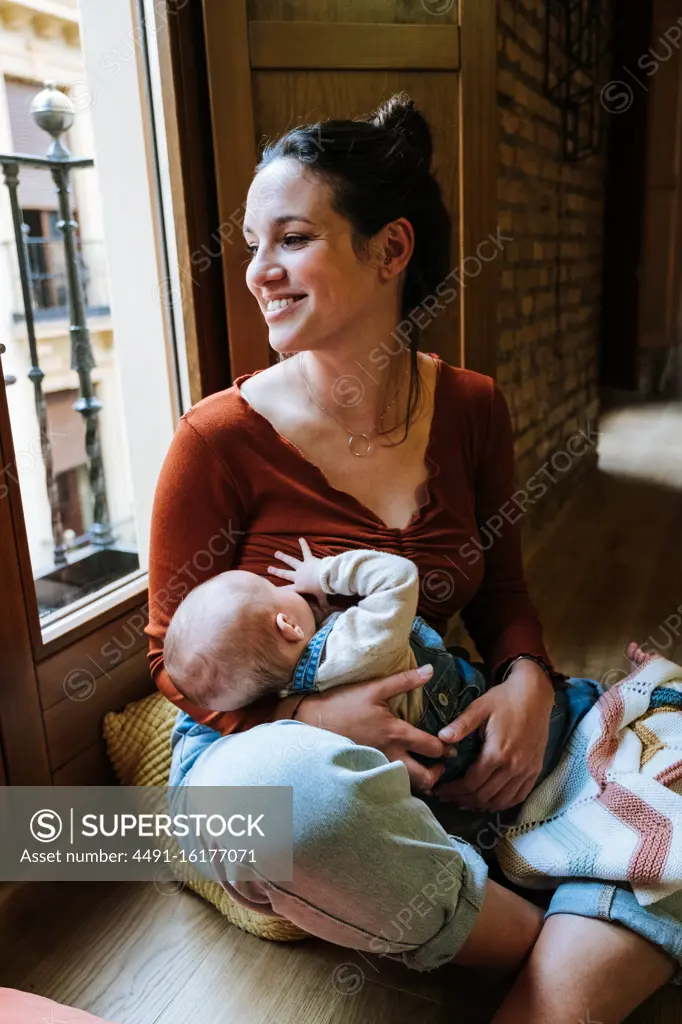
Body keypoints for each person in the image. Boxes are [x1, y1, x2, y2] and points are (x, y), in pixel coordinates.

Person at [145, 92, 680, 1021]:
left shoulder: (472, 407)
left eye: (292, 240)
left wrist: (527, 682)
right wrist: (313, 711)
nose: (258, 272)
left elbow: (504, 589)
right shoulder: (215, 440)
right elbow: (169, 662)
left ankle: (537, 932)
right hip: (266, 749)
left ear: (390, 251)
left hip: (445, 722)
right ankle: (554, 946)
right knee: (297, 805)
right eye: (250, 246)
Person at [163, 541, 599, 787]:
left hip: (441, 778)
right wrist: (323, 574)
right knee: (585, 713)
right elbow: (398, 577)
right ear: (289, 627)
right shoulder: (357, 641)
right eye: (270, 585)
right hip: (476, 720)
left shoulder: (284, 699)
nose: (283, 583)